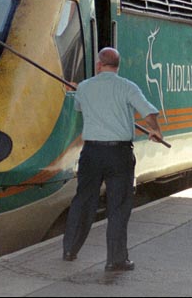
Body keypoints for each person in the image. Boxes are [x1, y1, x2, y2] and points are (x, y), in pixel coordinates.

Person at [62, 47, 163, 272]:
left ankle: (70, 249)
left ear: (99, 65)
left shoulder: (85, 87)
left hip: (91, 153)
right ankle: (115, 259)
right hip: (119, 154)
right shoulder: (127, 86)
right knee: (118, 205)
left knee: (83, 200)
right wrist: (155, 131)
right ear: (117, 66)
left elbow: (79, 106)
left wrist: (78, 90)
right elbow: (149, 113)